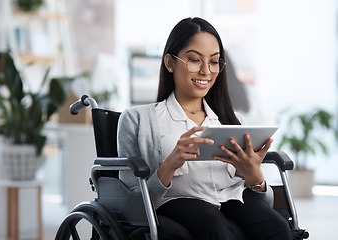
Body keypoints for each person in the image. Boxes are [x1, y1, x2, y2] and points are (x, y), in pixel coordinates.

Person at [117, 17, 292, 240]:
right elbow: (129, 202)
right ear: (170, 63)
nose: (206, 72)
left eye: (214, 61)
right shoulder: (137, 119)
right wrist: (170, 164)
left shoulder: (232, 120)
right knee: (215, 227)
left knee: (278, 227)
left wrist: (254, 177)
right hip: (176, 201)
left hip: (232, 197)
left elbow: (263, 200)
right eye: (194, 60)